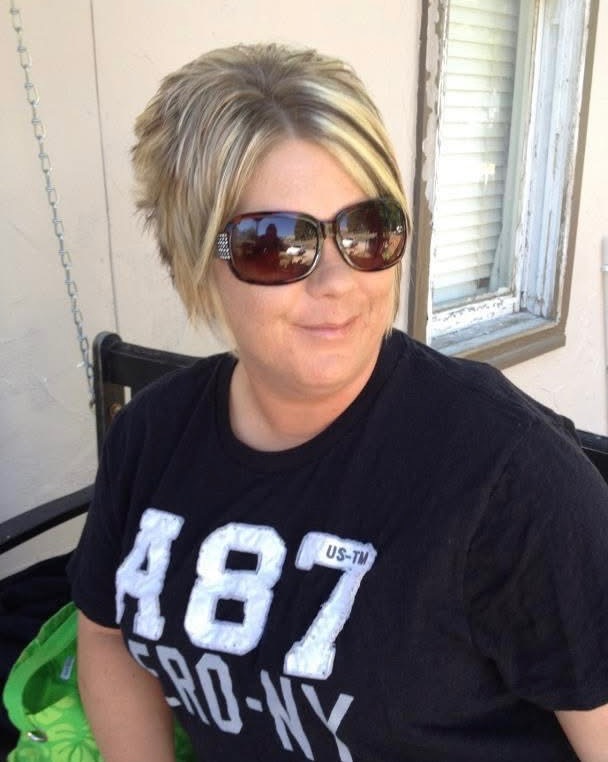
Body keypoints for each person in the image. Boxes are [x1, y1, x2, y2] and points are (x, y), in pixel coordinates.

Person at [67, 43, 608, 761]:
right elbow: (106, 633)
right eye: (275, 244)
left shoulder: (510, 478)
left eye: (367, 230)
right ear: (193, 257)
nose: (338, 280)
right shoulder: (150, 437)